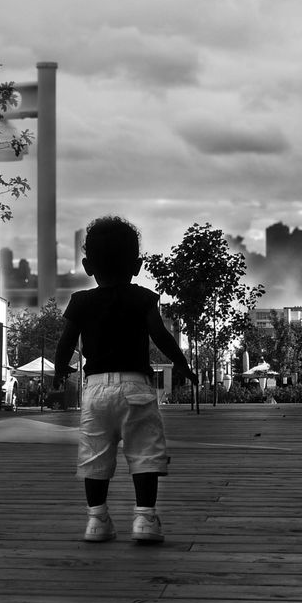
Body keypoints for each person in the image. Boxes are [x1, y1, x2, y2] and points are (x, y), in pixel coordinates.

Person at [53, 215, 197, 544]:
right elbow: (160, 335)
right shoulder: (143, 298)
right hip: (137, 387)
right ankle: (145, 520)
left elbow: (65, 342)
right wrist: (181, 363)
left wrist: (61, 370)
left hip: (97, 390)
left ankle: (97, 521)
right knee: (145, 452)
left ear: (88, 266)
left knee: (94, 454)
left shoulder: (81, 301)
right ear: (137, 265)